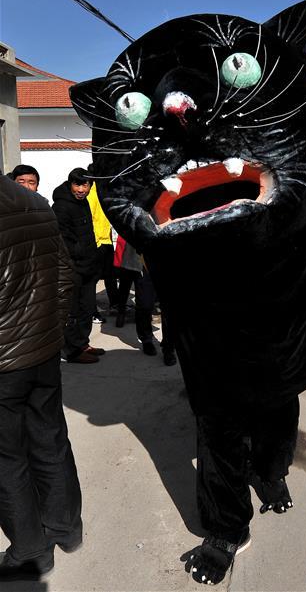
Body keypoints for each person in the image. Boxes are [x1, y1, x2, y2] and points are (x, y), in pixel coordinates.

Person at [0, 175, 83, 578]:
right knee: (50, 441)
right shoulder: (33, 201)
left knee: (8, 459)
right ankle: (66, 529)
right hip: (43, 351)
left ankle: (31, 550)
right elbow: (65, 276)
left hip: (6, 362)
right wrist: (52, 329)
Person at [52, 169, 104, 364]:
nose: (81, 189)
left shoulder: (83, 203)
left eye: (85, 185)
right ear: (70, 184)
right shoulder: (62, 206)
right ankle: (72, 351)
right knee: (74, 311)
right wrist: (82, 252)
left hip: (88, 265)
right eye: (77, 185)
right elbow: (64, 240)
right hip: (74, 268)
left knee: (88, 308)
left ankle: (82, 343)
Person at [87, 180, 113, 324]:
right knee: (92, 281)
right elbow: (89, 219)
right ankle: (91, 312)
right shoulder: (93, 194)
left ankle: (114, 303)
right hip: (98, 243)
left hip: (105, 240)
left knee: (109, 275)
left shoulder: (103, 192)